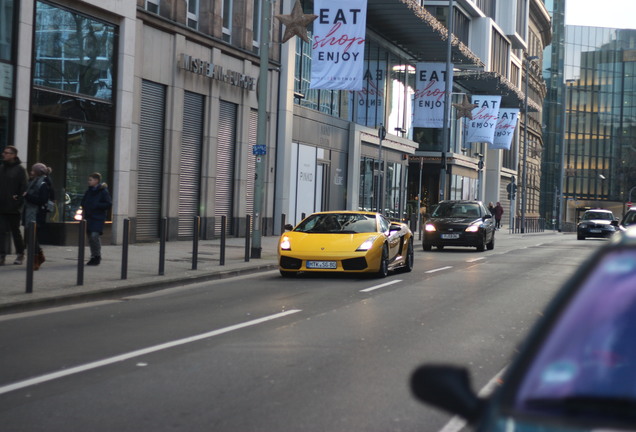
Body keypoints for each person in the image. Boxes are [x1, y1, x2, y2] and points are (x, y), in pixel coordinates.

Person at [0, 146, 28, 266]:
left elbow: (24, 188)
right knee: (1, 231)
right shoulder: (1, 168)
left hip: (14, 208)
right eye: (4, 152)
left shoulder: (20, 170)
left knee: (15, 231)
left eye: (7, 153)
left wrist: (17, 202)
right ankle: (2, 255)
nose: (4, 154)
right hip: (1, 206)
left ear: (13, 155)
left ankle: (20, 254)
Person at [23, 163, 53, 270]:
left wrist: (27, 196)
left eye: (33, 171)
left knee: (32, 237)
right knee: (32, 238)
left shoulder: (43, 183)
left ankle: (36, 260)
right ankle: (39, 257)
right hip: (30, 212)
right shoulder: (34, 181)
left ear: (37, 172)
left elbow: (41, 200)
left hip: (36, 214)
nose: (31, 172)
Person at [79, 172, 112, 266]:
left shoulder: (103, 191)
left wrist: (96, 205)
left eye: (90, 180)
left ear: (96, 180)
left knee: (94, 236)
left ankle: (97, 256)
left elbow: (108, 203)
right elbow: (84, 201)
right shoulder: (89, 191)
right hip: (89, 217)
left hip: (98, 217)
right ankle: (93, 255)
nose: (88, 182)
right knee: (90, 237)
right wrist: (85, 206)